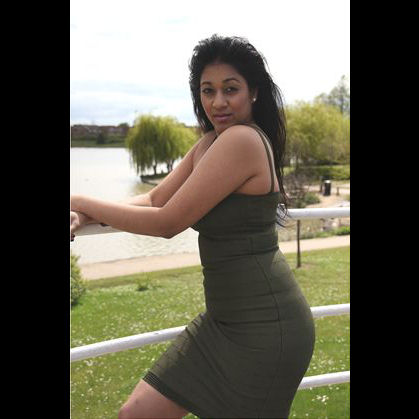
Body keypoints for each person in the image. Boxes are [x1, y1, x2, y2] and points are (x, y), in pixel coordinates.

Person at [70, 34, 315, 419]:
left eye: (230, 89)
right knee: (134, 414)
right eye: (207, 90)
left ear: (253, 92)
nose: (218, 102)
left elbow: (167, 222)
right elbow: (155, 200)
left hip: (266, 327)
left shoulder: (242, 140)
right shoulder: (210, 142)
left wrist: (78, 200)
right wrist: (85, 216)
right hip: (221, 323)